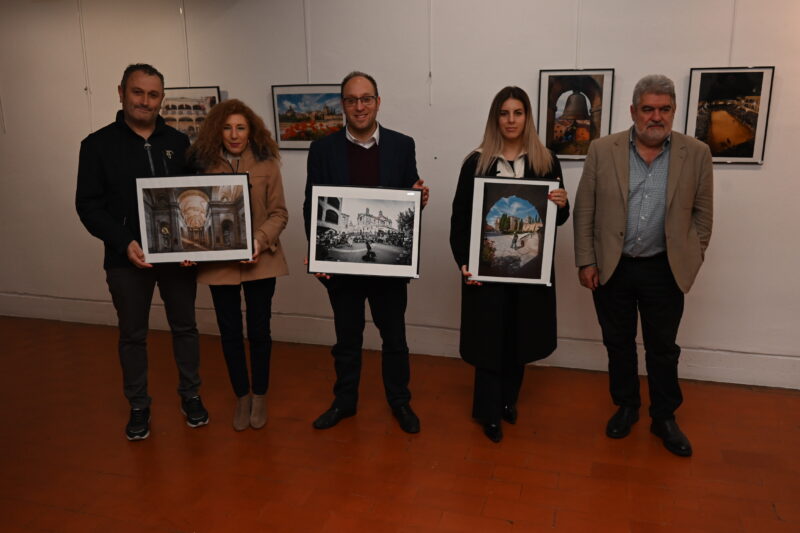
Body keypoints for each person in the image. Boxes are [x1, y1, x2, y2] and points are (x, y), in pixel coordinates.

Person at [573, 74, 713, 457]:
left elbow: (703, 216)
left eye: (664, 109)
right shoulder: (603, 150)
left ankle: (664, 417)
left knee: (663, 348)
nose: (656, 116)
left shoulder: (696, 153)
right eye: (648, 109)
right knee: (618, 344)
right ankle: (627, 406)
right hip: (612, 267)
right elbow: (585, 209)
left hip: (664, 269)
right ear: (633, 111)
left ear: (673, 111)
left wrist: (690, 258)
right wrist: (586, 259)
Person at [76, 63, 208, 441]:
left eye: (153, 95)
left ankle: (191, 394)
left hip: (177, 258)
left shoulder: (180, 143)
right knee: (132, 335)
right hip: (126, 259)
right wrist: (123, 242)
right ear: (121, 92)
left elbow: (197, 197)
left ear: (161, 99)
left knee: (185, 327)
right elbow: (88, 205)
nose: (144, 101)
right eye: (138, 92)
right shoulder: (97, 145)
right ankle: (138, 404)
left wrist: (195, 245)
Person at [302, 71, 429, 434]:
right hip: (341, 270)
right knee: (346, 339)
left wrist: (418, 200)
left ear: (378, 101)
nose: (359, 106)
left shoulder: (402, 145)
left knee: (395, 338)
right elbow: (312, 205)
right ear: (342, 104)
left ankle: (400, 402)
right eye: (351, 99)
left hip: (390, 274)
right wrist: (316, 252)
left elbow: (407, 200)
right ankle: (344, 402)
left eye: (366, 98)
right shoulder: (322, 149)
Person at [449, 86, 569, 443]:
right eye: (504, 113)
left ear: (527, 117)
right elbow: (460, 219)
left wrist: (562, 205)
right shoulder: (476, 163)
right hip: (486, 269)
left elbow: (556, 221)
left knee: (520, 336)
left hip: (530, 270)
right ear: (495, 118)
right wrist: (463, 263)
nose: (511, 120)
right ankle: (488, 412)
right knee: (489, 339)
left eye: (518, 113)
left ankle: (507, 401)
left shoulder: (546, 161)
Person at [187, 99, 289, 431]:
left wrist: (259, 240)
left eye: (240, 127)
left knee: (260, 331)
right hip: (219, 264)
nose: (234, 134)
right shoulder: (201, 166)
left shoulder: (267, 164)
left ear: (251, 130)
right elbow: (191, 214)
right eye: (227, 127)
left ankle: (260, 395)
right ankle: (241, 397)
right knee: (230, 334)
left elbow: (279, 214)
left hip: (262, 260)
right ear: (218, 130)